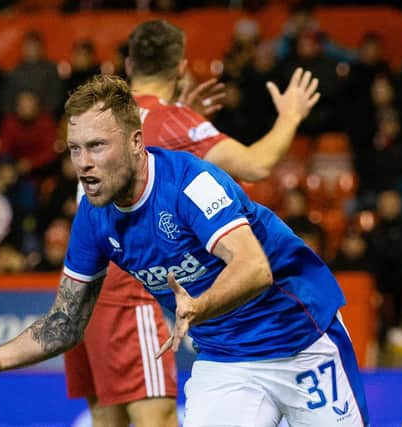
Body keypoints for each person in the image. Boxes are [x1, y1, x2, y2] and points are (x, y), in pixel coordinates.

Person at [0, 74, 369, 427]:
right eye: (75, 149)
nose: (83, 163)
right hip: (226, 360)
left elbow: (254, 268)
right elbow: (66, 322)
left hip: (300, 338)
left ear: (135, 143)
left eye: (97, 146)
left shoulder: (191, 183)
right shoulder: (92, 219)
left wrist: (199, 305)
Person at [65, 19, 322, 427]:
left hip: (86, 282)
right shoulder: (175, 122)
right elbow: (256, 164)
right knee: (159, 419)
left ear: (129, 65)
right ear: (181, 68)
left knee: (106, 418)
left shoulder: (101, 117)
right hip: (131, 290)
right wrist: (291, 115)